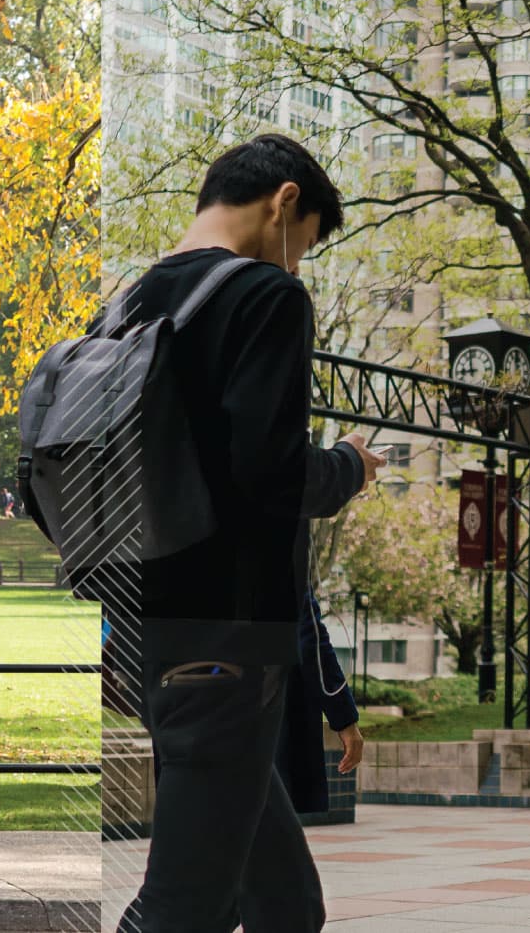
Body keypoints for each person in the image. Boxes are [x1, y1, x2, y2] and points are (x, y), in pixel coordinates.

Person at [103, 134, 381, 933]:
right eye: (305, 247)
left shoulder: (130, 303)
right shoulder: (264, 297)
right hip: (228, 634)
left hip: (147, 628)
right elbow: (269, 473)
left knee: (286, 908)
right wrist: (349, 468)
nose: (297, 267)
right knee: (184, 909)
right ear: (284, 201)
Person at [276, 590, 365, 821]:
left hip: (186, 710)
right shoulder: (276, 556)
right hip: (264, 718)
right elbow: (310, 640)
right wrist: (345, 720)